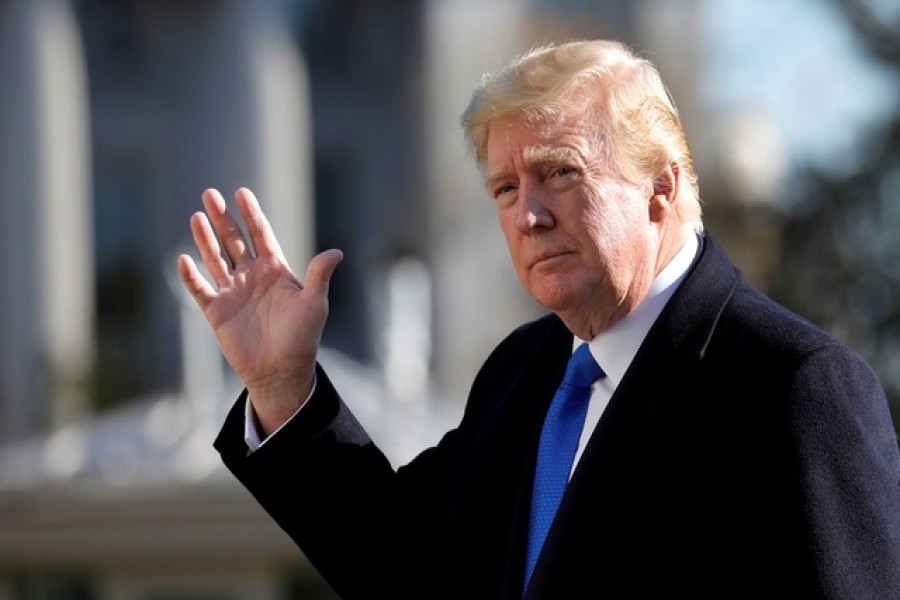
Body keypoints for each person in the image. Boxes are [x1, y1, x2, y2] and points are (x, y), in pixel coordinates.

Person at [177, 39, 900, 599]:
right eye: (504, 187)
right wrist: (281, 388)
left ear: (662, 186)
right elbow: (402, 565)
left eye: (560, 172)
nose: (528, 213)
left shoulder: (794, 388)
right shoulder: (523, 371)